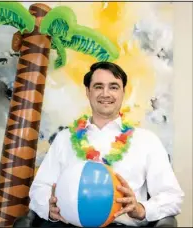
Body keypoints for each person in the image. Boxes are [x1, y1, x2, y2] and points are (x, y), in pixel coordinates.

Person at [29, 62, 184, 227]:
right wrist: (50, 208)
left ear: (123, 92)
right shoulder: (64, 138)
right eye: (98, 86)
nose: (105, 93)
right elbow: (40, 188)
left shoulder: (147, 141)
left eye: (113, 87)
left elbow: (172, 196)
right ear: (88, 92)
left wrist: (141, 209)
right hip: (68, 224)